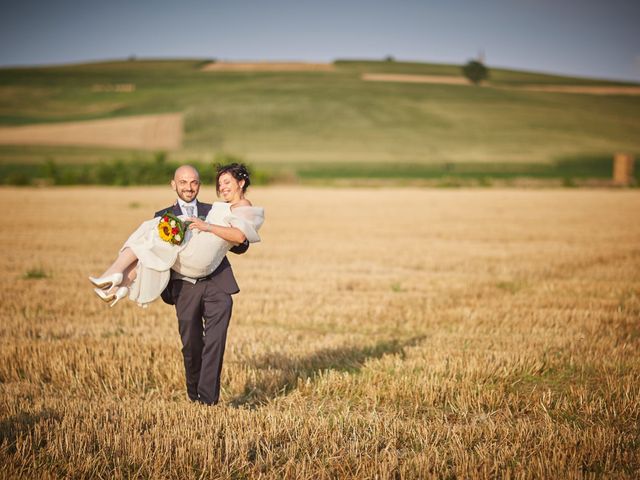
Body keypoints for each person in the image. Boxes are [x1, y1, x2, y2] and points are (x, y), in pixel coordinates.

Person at [90, 163, 264, 405]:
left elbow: (241, 243)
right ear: (174, 185)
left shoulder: (214, 209)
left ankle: (207, 401)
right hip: (184, 286)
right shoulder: (162, 215)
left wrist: (218, 232)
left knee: (215, 343)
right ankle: (195, 394)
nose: (189, 187)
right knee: (192, 345)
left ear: (199, 185)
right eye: (183, 182)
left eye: (193, 182)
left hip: (217, 283)